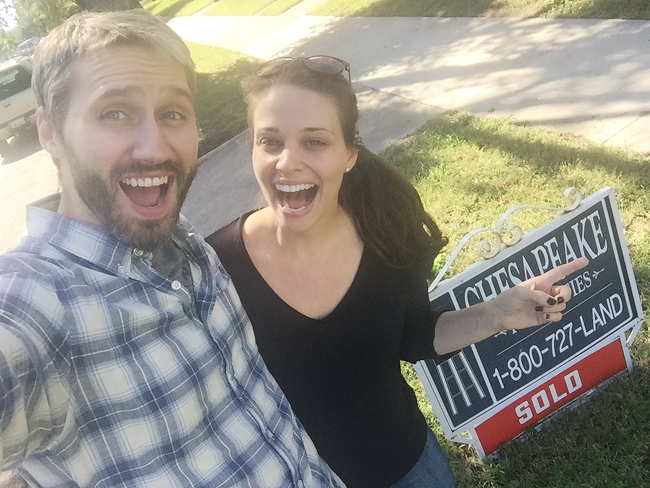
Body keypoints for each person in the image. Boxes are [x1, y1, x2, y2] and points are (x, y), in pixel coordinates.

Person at [205, 56, 589, 488]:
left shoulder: (385, 233)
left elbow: (412, 334)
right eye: (270, 141)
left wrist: (496, 314)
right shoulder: (215, 270)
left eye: (315, 142)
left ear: (350, 153)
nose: (287, 162)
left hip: (409, 468)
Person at [0, 13, 345, 488]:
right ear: (50, 133)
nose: (155, 147)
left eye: (173, 114)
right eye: (114, 113)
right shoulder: (39, 302)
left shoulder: (181, 241)